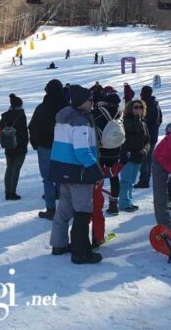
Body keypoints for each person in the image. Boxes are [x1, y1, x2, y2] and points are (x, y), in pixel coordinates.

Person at [49, 85, 105, 264]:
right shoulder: (80, 121)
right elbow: (81, 150)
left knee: (64, 208)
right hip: (78, 171)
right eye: (90, 100)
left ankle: (59, 245)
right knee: (82, 211)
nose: (92, 103)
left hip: (61, 169)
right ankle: (80, 252)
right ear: (82, 102)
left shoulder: (63, 117)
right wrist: (95, 169)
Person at [29, 80, 68, 220]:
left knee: (47, 179)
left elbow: (32, 127)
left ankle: (51, 209)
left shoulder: (41, 108)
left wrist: (36, 144)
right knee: (63, 178)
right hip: (64, 147)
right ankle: (64, 208)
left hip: (45, 147)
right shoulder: (67, 108)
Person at [92, 90, 123, 215]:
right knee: (114, 176)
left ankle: (96, 201)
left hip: (100, 149)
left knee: (98, 175)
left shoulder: (97, 113)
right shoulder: (120, 114)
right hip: (115, 150)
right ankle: (114, 204)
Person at [118, 100, 150, 213]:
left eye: (140, 107)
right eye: (135, 107)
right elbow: (133, 129)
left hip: (139, 156)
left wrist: (145, 149)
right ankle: (123, 203)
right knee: (125, 181)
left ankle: (129, 202)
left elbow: (148, 141)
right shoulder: (126, 121)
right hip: (128, 155)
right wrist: (137, 118)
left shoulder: (144, 123)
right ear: (130, 109)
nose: (138, 109)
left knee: (131, 181)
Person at [0, 94, 28, 200]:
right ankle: (12, 192)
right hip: (20, 147)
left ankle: (7, 192)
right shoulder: (21, 115)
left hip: (8, 146)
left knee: (9, 169)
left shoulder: (5, 116)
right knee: (15, 170)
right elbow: (24, 133)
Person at [136, 86, 163, 188]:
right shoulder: (156, 104)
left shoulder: (144, 106)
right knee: (149, 157)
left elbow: (142, 122)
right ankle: (147, 176)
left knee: (144, 159)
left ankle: (144, 180)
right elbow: (160, 120)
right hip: (153, 135)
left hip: (145, 137)